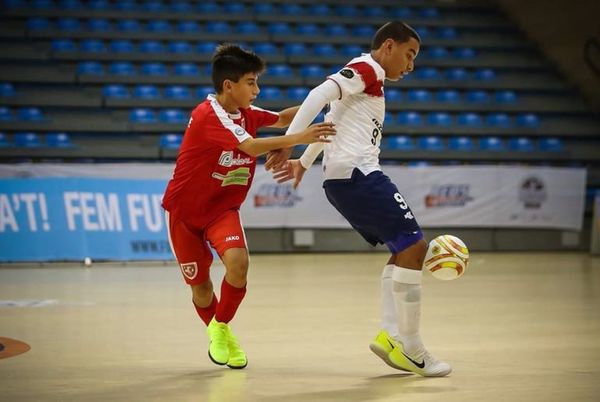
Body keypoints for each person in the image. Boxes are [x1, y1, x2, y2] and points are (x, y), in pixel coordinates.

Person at [268, 21, 451, 377]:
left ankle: (392, 336)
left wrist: (303, 162)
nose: (411, 65)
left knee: (402, 250)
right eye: (409, 54)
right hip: (361, 176)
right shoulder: (367, 68)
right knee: (416, 248)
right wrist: (287, 141)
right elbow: (316, 97)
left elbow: (331, 121)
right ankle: (412, 348)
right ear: (388, 46)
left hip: (343, 181)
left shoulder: (371, 84)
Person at [162, 44, 336, 369]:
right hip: (184, 215)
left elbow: (286, 117)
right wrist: (301, 138)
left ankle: (221, 329)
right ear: (229, 85)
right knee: (201, 288)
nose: (257, 90)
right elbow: (251, 145)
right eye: (251, 83)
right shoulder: (207, 114)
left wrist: (335, 102)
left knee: (238, 264)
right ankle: (220, 333)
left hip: (222, 211)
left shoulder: (246, 115)